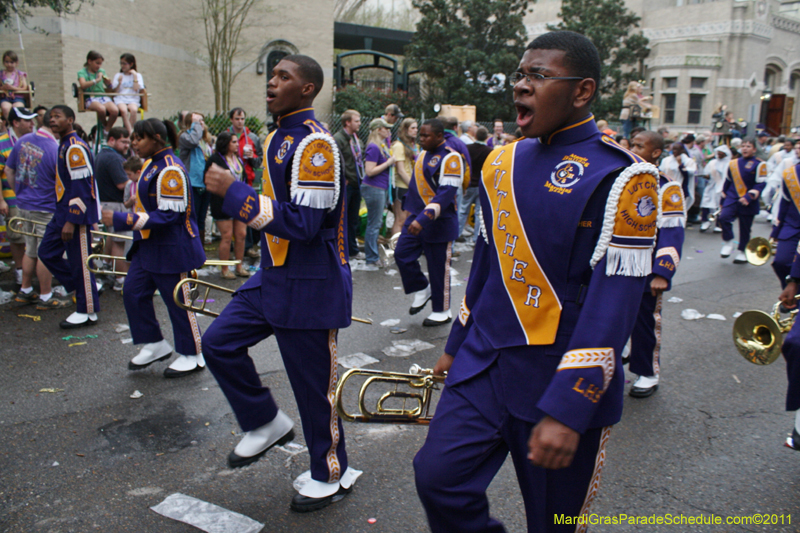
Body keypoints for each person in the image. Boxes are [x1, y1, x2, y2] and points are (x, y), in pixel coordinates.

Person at [413, 31, 659, 532]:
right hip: (484, 362)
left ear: (582, 91)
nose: (521, 87)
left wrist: (570, 408)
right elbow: (486, 265)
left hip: (556, 378)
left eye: (539, 76)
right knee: (436, 477)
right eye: (520, 75)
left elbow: (611, 307)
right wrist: (456, 343)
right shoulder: (500, 162)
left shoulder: (625, 177)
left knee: (553, 524)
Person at [202, 54, 357, 512]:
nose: (272, 83)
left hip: (310, 281)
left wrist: (234, 192)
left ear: (307, 89)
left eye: (283, 77)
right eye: (271, 76)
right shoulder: (276, 136)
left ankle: (330, 471)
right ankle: (265, 421)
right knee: (218, 343)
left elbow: (306, 225)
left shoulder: (316, 144)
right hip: (274, 273)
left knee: (313, 389)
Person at [101, 118, 207, 378]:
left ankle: (192, 354)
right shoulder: (151, 164)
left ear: (158, 139)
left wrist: (121, 219)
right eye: (133, 138)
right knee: (133, 292)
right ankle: (154, 343)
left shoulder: (170, 169)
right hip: (148, 246)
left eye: (140, 138)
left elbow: (169, 217)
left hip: (172, 248)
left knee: (178, 302)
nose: (134, 143)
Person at [628, 130, 686, 397]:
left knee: (644, 322)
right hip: (618, 265)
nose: (633, 149)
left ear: (655, 153)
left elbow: (672, 231)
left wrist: (662, 272)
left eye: (640, 146)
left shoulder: (668, 187)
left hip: (647, 267)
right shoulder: (623, 180)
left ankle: (647, 372)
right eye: (632, 144)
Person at [38, 105, 101, 329]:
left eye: (58, 116)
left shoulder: (74, 147)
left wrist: (72, 220)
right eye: (51, 117)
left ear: (71, 120)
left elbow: (82, 187)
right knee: (46, 252)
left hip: (75, 217)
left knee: (80, 262)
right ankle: (85, 287)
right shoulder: (64, 145)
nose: (52, 119)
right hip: (61, 212)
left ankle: (87, 310)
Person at [394, 119, 462, 327]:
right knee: (401, 253)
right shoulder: (423, 154)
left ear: (440, 136)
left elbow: (445, 195)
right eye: (420, 135)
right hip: (416, 217)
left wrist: (423, 218)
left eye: (426, 136)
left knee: (438, 268)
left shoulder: (452, 159)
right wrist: (409, 214)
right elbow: (415, 188)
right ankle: (422, 288)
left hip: (439, 222)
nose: (420, 139)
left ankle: (442, 311)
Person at [7, 109, 69, 309]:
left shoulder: (22, 141)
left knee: (30, 249)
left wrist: (19, 193)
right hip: (44, 207)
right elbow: (61, 183)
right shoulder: (53, 147)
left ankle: (25, 290)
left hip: (24, 204)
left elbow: (9, 169)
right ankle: (45, 295)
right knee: (45, 252)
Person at [0, 106, 36, 284]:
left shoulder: (35, 140)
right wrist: (1, 201)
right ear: (15, 122)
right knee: (16, 236)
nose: (32, 123)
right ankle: (21, 271)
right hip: (12, 198)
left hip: (34, 199)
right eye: (27, 120)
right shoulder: (2, 142)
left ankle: (32, 271)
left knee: (33, 235)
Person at [206, 131, 249, 279]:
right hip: (222, 202)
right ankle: (225, 268)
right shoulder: (215, 159)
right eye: (234, 142)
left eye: (237, 142)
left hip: (239, 200)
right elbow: (209, 178)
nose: (237, 144)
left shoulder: (238, 159)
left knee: (241, 234)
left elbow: (244, 177)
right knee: (226, 235)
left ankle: (239, 265)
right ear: (226, 144)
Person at [719, 137, 767, 263]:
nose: (745, 148)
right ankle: (728, 241)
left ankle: (742, 251)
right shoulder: (734, 163)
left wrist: (749, 196)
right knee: (723, 217)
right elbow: (728, 181)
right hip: (732, 197)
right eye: (743, 145)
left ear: (754, 149)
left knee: (745, 228)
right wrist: (722, 198)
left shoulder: (759, 164)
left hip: (748, 200)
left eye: (748, 146)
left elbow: (761, 184)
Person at [96, 127, 132, 289]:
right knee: (120, 243)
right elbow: (121, 184)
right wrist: (137, 182)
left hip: (105, 203)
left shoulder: (102, 154)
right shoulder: (114, 158)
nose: (127, 145)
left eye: (128, 142)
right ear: (111, 140)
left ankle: (104, 264)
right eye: (123, 141)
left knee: (112, 236)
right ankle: (121, 280)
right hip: (116, 204)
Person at [361, 117, 395, 270]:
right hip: (374, 188)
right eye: (386, 128)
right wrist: (388, 163)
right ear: (378, 130)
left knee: (375, 224)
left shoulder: (380, 146)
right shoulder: (374, 147)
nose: (389, 131)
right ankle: (371, 258)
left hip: (379, 188)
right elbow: (369, 171)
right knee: (374, 224)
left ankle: (373, 257)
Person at [333, 109, 365, 258]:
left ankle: (352, 250)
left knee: (353, 219)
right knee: (342, 218)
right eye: (356, 121)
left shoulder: (355, 139)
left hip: (356, 182)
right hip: (345, 184)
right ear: (348, 122)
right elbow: (334, 161)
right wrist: (341, 178)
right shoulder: (338, 139)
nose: (359, 123)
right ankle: (340, 249)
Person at [768, 140, 800, 286]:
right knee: (781, 262)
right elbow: (785, 203)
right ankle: (791, 294)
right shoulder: (791, 173)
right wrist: (776, 231)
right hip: (792, 225)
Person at [178, 112, 212, 244]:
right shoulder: (184, 137)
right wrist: (196, 127)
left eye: (202, 120)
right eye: (196, 121)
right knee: (192, 217)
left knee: (201, 219)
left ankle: (200, 248)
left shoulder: (206, 141)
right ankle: (190, 247)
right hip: (193, 183)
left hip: (205, 184)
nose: (200, 123)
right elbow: (193, 141)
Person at [459, 126, 492, 242]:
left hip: (469, 184)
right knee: (479, 212)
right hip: (481, 184)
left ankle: (457, 234)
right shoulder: (489, 151)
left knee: (463, 209)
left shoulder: (467, 148)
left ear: (475, 136)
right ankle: (476, 238)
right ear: (486, 137)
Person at [77, 51, 117, 134]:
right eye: (97, 63)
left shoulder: (102, 71)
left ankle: (107, 130)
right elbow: (83, 85)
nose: (99, 66)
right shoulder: (82, 72)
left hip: (102, 96)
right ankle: (105, 126)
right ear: (89, 61)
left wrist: (108, 83)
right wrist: (96, 80)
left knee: (115, 110)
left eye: (100, 64)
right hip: (90, 97)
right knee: (101, 109)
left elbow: (109, 87)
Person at [390, 117, 418, 237]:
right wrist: (413, 186)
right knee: (400, 220)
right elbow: (401, 170)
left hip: (411, 185)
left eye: (417, 128)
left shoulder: (414, 146)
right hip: (402, 186)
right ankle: (395, 247)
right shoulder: (399, 146)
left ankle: (404, 246)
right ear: (405, 130)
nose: (416, 130)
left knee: (408, 219)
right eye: (412, 128)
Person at [699, 144, 732, 233]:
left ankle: (719, 225)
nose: (719, 154)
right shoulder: (712, 162)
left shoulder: (729, 164)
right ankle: (705, 222)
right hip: (711, 187)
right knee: (706, 204)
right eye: (718, 153)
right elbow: (707, 173)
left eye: (721, 153)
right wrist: (706, 176)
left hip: (722, 187)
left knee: (720, 206)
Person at [111, 53, 145, 134]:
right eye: (121, 63)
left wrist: (135, 76)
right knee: (124, 110)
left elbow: (136, 88)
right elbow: (115, 91)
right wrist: (119, 83)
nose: (122, 66)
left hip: (132, 98)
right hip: (121, 98)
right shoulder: (118, 75)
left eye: (124, 63)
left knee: (133, 110)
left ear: (131, 64)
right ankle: (130, 132)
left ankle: (128, 130)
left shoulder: (138, 75)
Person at [659, 142, 696, 213]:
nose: (674, 151)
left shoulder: (688, 161)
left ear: (681, 150)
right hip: (668, 187)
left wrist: (680, 164)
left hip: (681, 188)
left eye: (676, 149)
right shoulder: (666, 160)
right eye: (673, 149)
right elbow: (662, 171)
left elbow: (689, 172)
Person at [0, 51, 28, 119]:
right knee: (5, 108)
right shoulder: (1, 74)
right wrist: (3, 87)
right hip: (5, 98)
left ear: (16, 63)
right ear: (3, 62)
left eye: (12, 62)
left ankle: (16, 125)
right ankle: (9, 124)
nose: (9, 64)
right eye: (7, 62)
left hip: (18, 98)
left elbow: (25, 88)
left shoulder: (20, 74)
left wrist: (12, 88)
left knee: (18, 108)